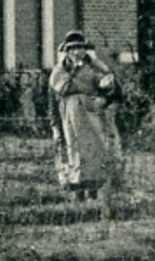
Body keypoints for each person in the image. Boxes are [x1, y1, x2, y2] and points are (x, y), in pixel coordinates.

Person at [49, 31, 123, 201]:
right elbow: (57, 94)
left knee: (93, 150)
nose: (77, 52)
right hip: (67, 117)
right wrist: (55, 125)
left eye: (81, 48)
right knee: (71, 150)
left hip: (91, 117)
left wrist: (104, 93)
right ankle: (76, 192)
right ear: (66, 51)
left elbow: (111, 88)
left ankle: (92, 191)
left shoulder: (93, 68)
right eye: (73, 49)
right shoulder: (60, 71)